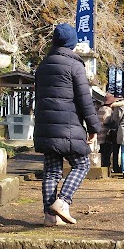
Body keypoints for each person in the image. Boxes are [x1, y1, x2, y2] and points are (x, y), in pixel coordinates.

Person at [33, 23, 101, 225]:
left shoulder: (43, 65)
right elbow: (84, 99)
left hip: (46, 126)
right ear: (72, 44)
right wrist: (93, 127)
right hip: (69, 126)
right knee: (82, 164)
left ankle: (49, 216)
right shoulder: (75, 65)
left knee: (52, 171)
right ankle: (63, 201)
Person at [96, 94, 117, 169]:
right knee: (106, 151)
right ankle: (106, 166)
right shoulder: (107, 110)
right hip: (105, 134)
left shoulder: (100, 108)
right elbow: (106, 121)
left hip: (99, 133)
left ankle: (103, 164)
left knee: (102, 150)